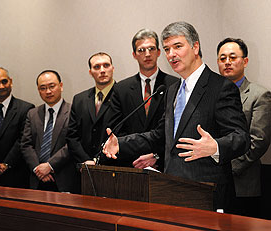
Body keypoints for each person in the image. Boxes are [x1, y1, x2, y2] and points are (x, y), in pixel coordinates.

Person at [103, 21, 249, 211]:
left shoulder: (220, 87)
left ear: (195, 47)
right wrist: (121, 143)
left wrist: (216, 147)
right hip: (172, 189)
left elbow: (242, 137)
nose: (171, 54)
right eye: (167, 49)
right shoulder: (172, 90)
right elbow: (159, 135)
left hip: (206, 193)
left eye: (177, 46)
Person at [217, 38, 271, 217]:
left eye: (232, 57)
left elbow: (259, 140)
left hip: (243, 183)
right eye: (222, 58)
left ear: (245, 61)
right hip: (213, 183)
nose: (227, 62)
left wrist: (229, 168)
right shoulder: (212, 95)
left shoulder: (259, 95)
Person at [109, 29, 178, 169]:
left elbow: (176, 129)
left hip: (164, 164)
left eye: (151, 49)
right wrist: (136, 155)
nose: (147, 54)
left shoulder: (174, 85)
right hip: (131, 164)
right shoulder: (121, 89)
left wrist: (156, 155)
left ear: (159, 52)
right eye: (141, 50)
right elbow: (117, 128)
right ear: (134, 55)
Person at [21, 70, 79, 193]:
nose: (48, 91)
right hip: (37, 180)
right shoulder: (32, 113)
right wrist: (38, 169)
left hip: (64, 179)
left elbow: (73, 143)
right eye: (43, 88)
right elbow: (26, 144)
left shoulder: (74, 110)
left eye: (52, 86)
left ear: (61, 86)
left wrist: (49, 165)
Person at [67, 52, 117, 166]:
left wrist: (98, 160)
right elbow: (72, 136)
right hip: (84, 166)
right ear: (90, 72)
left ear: (113, 68)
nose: (102, 70)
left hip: (114, 165)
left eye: (106, 65)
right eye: (97, 67)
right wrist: (86, 160)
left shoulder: (123, 95)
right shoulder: (79, 99)